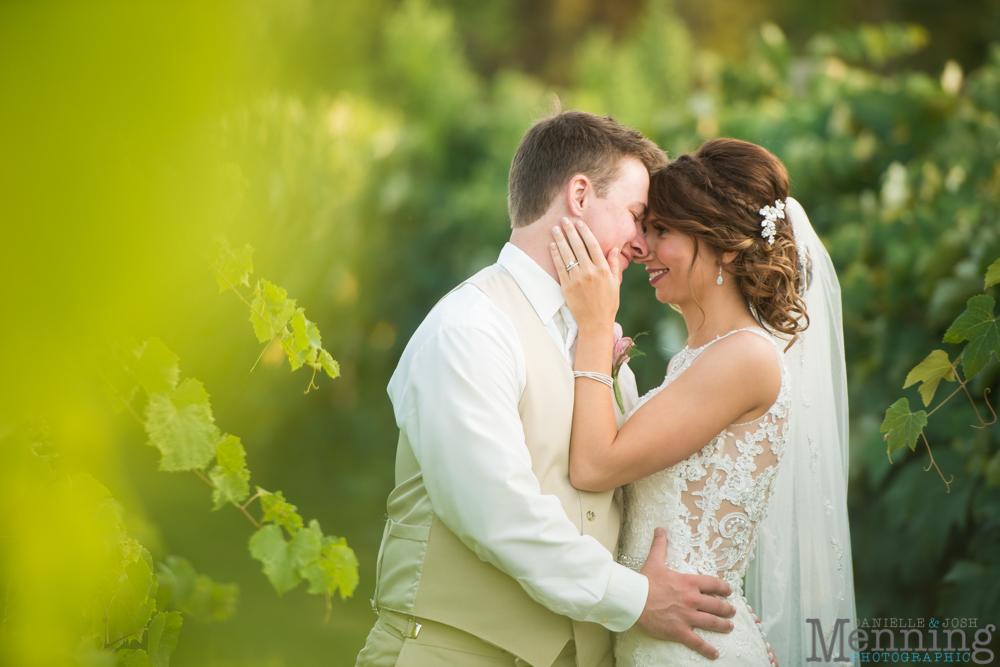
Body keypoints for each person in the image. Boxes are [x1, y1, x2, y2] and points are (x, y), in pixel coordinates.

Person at [355, 112, 739, 667]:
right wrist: (636, 601)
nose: (642, 245)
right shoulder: (470, 327)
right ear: (579, 195)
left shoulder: (599, 344)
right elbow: (496, 513)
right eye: (636, 217)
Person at [550, 138, 857, 666]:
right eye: (645, 226)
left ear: (728, 246)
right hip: (659, 638)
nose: (642, 246)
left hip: (690, 649)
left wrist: (597, 325)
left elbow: (594, 464)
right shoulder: (700, 358)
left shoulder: (746, 359)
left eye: (662, 231)